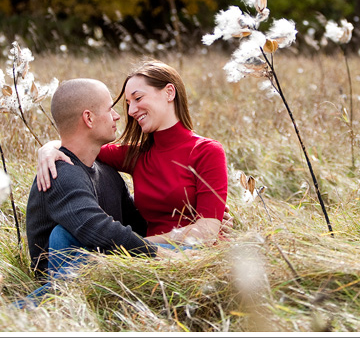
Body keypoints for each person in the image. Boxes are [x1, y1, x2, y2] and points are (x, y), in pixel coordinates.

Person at [36, 59, 228, 247]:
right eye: (128, 103)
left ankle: (72, 275)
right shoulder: (136, 155)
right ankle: (65, 276)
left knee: (85, 252)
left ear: (169, 92)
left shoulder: (206, 151)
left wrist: (138, 246)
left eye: (138, 98)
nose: (131, 111)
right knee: (61, 235)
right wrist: (49, 148)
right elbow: (81, 144)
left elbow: (207, 232)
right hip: (148, 256)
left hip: (188, 254)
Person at [22, 78, 175, 306]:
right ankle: (10, 316)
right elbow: (96, 227)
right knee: (62, 236)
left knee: (189, 248)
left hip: (104, 267)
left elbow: (140, 225)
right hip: (62, 287)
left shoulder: (107, 172)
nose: (117, 116)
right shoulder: (59, 174)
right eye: (110, 109)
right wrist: (160, 255)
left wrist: (193, 218)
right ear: (89, 118)